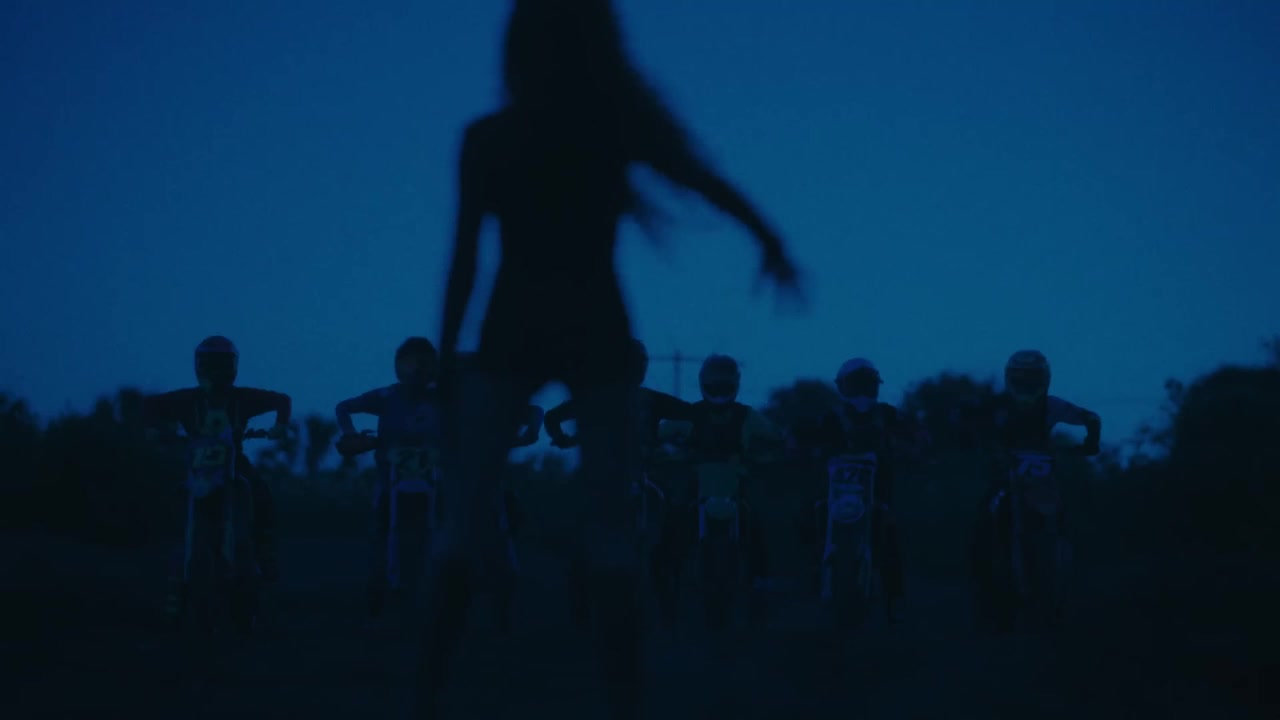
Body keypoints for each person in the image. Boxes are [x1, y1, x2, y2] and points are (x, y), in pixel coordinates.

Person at [418, 0, 802, 716]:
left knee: (465, 517)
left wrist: (446, 359)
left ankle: (428, 693)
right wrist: (768, 238)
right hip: (595, 326)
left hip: (513, 326)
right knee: (609, 526)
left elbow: (465, 259)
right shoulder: (612, 124)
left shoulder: (490, 137)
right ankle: (623, 697)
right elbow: (700, 178)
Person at [333, 340, 541, 620]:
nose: (417, 370)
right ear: (399, 366)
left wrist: (524, 432)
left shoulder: (449, 397)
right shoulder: (387, 396)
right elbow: (344, 407)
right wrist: (350, 434)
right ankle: (379, 595)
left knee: (486, 518)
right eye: (410, 362)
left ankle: (483, 583)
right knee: (380, 530)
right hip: (393, 479)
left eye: (424, 363)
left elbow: (526, 412)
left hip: (443, 479)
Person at [543, 337, 696, 625]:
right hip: (611, 477)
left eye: (636, 364)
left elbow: (553, 417)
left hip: (628, 476)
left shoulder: (602, 397)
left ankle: (665, 599)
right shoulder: (621, 398)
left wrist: (563, 438)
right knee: (579, 524)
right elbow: (553, 417)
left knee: (669, 519)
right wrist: (563, 438)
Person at [143, 336, 291, 609]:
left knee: (261, 495)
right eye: (210, 363)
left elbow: (282, 400)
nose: (216, 370)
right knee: (168, 503)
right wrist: (153, 428)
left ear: (233, 366)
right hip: (197, 465)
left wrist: (280, 425)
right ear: (199, 365)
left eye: (222, 363)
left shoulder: (241, 397)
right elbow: (149, 405)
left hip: (234, 462)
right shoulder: (187, 399)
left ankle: (265, 554)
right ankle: (168, 566)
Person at [649, 354, 785, 629]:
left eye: (725, 384)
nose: (720, 390)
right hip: (701, 481)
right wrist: (652, 442)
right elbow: (658, 433)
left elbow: (776, 435)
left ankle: (760, 584)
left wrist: (778, 446)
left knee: (756, 526)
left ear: (734, 384)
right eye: (715, 384)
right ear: (704, 383)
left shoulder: (746, 416)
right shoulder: (690, 414)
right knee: (673, 526)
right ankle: (666, 583)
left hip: (734, 482)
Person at [969, 349, 1102, 626]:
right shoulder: (998, 406)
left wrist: (1090, 444)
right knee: (987, 519)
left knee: (1072, 515)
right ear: (1010, 379)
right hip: (1006, 475)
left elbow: (1091, 418)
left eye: (1032, 380)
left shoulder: (1051, 406)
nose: (1027, 386)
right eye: (1021, 380)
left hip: (1043, 478)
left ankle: (1070, 581)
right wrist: (988, 448)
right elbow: (975, 425)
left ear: (1044, 379)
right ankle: (986, 594)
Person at [805, 358, 922, 625]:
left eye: (866, 384)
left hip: (877, 491)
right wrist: (804, 449)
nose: (861, 391)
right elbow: (809, 439)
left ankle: (894, 597)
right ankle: (814, 570)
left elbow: (913, 435)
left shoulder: (887, 415)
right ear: (843, 387)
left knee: (888, 534)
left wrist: (912, 448)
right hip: (834, 491)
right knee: (813, 516)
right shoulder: (831, 417)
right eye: (855, 385)